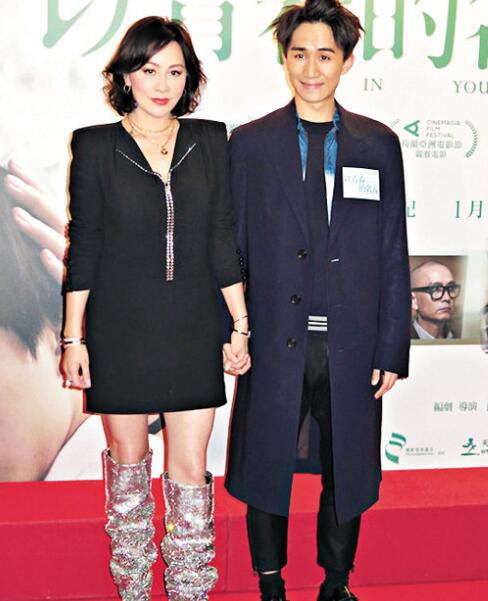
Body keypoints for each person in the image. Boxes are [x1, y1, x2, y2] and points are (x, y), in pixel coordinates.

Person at [223, 2, 411, 600]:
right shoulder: (250, 145)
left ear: (346, 61)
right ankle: (270, 583)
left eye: (325, 55)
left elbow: (392, 250)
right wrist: (233, 331)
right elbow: (233, 251)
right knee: (265, 464)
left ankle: (336, 582)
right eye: (299, 54)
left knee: (347, 467)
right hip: (275, 338)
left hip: (351, 344)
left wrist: (391, 346)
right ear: (284, 58)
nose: (311, 69)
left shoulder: (378, 145)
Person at [62, 16, 250, 601]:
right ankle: (134, 590)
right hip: (119, 329)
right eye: (149, 70)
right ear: (126, 75)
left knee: (190, 474)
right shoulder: (95, 146)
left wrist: (241, 324)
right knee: (129, 467)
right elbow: (85, 242)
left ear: (189, 78)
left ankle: (191, 592)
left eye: (175, 71)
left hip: (195, 326)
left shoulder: (210, 140)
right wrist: (73, 338)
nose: (162, 84)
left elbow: (221, 236)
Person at [410, 260, 461, 339]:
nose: (447, 298)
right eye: (436, 289)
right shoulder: (399, 339)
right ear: (413, 300)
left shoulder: (462, 337)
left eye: (451, 288)